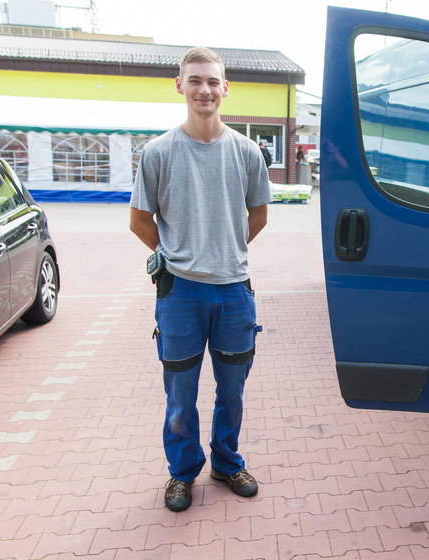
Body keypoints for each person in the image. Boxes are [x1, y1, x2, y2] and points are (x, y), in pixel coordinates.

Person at [129, 46, 271, 512]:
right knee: (180, 395)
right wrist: (178, 256)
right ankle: (181, 473)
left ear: (226, 88)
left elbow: (259, 216)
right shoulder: (158, 152)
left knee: (232, 389)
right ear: (180, 86)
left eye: (213, 81)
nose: (204, 89)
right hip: (180, 293)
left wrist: (223, 251)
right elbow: (139, 220)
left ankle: (227, 463)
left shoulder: (247, 151)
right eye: (195, 80)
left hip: (234, 290)